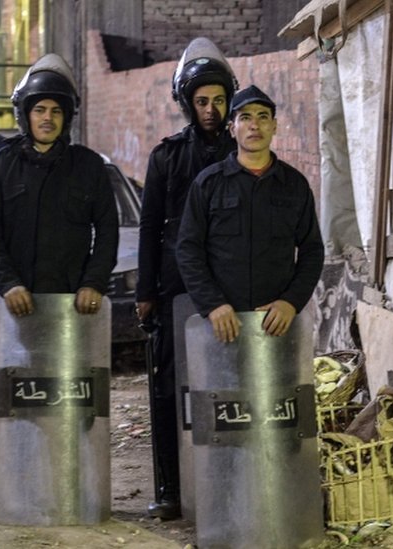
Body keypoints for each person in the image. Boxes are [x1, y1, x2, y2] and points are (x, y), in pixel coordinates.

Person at [135, 37, 238, 520]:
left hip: (233, 289)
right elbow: (151, 226)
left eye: (219, 100)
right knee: (169, 389)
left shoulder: (245, 151)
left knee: (229, 388)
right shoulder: (167, 158)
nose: (211, 110)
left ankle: (229, 484)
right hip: (176, 289)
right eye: (202, 101)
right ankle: (170, 488)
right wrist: (145, 292)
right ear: (186, 104)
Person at [177, 84, 324, 344]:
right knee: (222, 386)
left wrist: (291, 302)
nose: (254, 125)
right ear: (232, 129)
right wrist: (212, 304)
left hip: (276, 325)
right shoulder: (209, 184)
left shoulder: (294, 185)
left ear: (274, 127)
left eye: (262, 117)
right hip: (221, 325)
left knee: (276, 386)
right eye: (245, 118)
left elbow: (312, 250)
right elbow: (188, 250)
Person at [0, 53, 118, 318]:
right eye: (39, 110)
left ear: (66, 118)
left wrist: (93, 283)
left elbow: (108, 230)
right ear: (25, 116)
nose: (47, 119)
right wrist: (7, 284)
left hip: (75, 305)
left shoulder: (89, 166)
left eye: (56, 111)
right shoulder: (2, 167)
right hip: (19, 305)